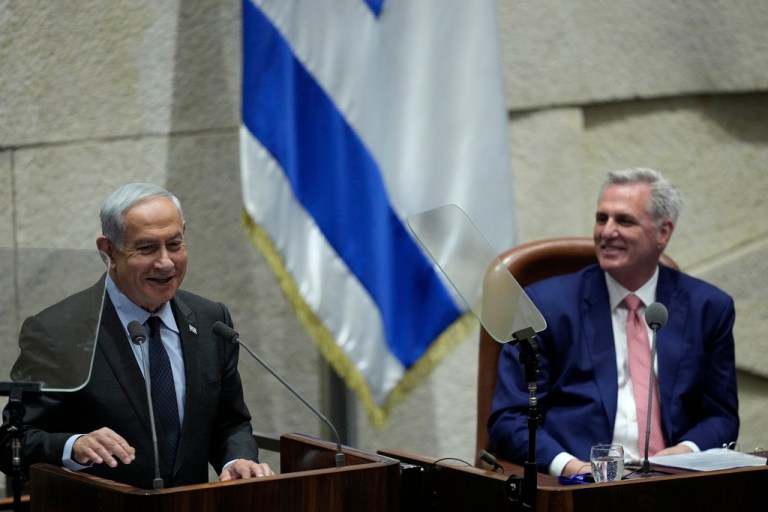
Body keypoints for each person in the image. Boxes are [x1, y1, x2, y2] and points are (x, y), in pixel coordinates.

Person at [0, 183, 274, 488]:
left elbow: (230, 422)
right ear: (108, 250)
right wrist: (73, 446)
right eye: (146, 248)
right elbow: (15, 442)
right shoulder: (56, 331)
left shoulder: (211, 320)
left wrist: (236, 460)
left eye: (174, 244)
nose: (165, 262)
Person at [488, 168, 739, 477]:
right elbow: (509, 418)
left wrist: (685, 452)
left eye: (624, 221)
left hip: (674, 482)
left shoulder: (708, 308)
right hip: (580, 484)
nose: (607, 232)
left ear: (663, 233)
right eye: (601, 218)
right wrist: (572, 468)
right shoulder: (545, 307)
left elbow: (721, 417)